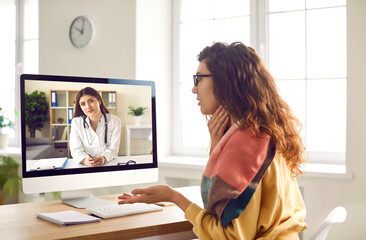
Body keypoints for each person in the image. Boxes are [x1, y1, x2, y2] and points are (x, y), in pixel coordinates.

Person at [118, 42, 307, 239]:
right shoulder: (262, 132)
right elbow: (219, 207)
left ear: (225, 82)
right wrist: (217, 149)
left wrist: (173, 196)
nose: (193, 89)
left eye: (199, 79)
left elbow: (229, 236)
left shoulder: (245, 144)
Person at [70, 87, 121, 167]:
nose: (88, 106)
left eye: (91, 101)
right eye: (83, 104)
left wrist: (103, 158)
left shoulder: (114, 121)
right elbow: (75, 149)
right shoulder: (76, 122)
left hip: (108, 164)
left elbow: (113, 149)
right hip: (85, 166)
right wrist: (85, 160)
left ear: (99, 101)